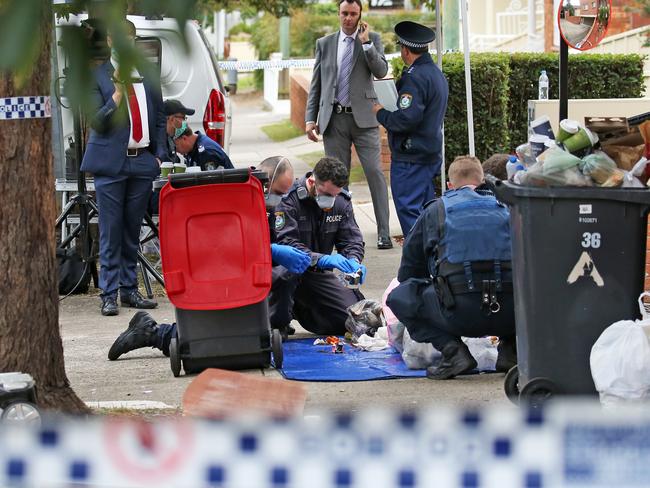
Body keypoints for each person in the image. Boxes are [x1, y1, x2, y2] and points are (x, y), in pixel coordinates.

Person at [107, 157, 311, 360]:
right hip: (222, 276)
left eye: (285, 194)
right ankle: (154, 334)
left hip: (246, 280)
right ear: (265, 185)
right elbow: (222, 246)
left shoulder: (265, 206)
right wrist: (270, 251)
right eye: (278, 193)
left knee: (256, 320)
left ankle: (272, 323)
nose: (281, 200)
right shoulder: (237, 198)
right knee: (234, 338)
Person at [386, 156, 516, 380]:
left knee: (400, 296)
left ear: (449, 186)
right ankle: (511, 351)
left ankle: (453, 352)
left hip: (456, 312)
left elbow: (408, 273)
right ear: (483, 180)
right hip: (509, 312)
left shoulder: (435, 211)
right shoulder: (510, 207)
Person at [80, 19, 167, 316]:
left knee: (132, 230)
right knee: (110, 231)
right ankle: (109, 293)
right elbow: (97, 122)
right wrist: (117, 94)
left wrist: (158, 156)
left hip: (142, 161)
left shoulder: (148, 74)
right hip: (111, 163)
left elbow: (159, 117)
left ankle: (130, 290)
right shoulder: (97, 76)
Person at [305, 0, 392, 250]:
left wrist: (366, 44)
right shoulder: (325, 43)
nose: (349, 19)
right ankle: (339, 233)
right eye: (345, 13)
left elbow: (380, 71)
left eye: (353, 14)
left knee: (375, 173)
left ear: (360, 15)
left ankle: (384, 233)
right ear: (338, 14)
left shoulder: (372, 38)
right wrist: (311, 118)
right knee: (335, 178)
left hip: (364, 119)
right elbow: (316, 84)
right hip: (334, 119)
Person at [269, 157, 366, 337]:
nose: (331, 200)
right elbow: (288, 243)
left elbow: (351, 239)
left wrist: (353, 260)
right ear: (312, 182)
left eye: (335, 195)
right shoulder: (288, 200)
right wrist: (323, 259)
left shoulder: (341, 201)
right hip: (288, 268)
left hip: (316, 274)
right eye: (327, 195)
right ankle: (278, 321)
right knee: (286, 273)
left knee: (353, 321)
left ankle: (305, 311)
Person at [372, 21, 449, 237]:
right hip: (429, 153)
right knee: (427, 215)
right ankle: (431, 265)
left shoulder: (414, 77)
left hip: (410, 158)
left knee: (410, 214)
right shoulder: (436, 74)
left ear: (405, 50)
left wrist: (381, 112)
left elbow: (407, 119)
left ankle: (419, 265)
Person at [163, 99, 195, 164]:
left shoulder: (170, 138)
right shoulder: (157, 142)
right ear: (172, 119)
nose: (184, 122)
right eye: (183, 118)